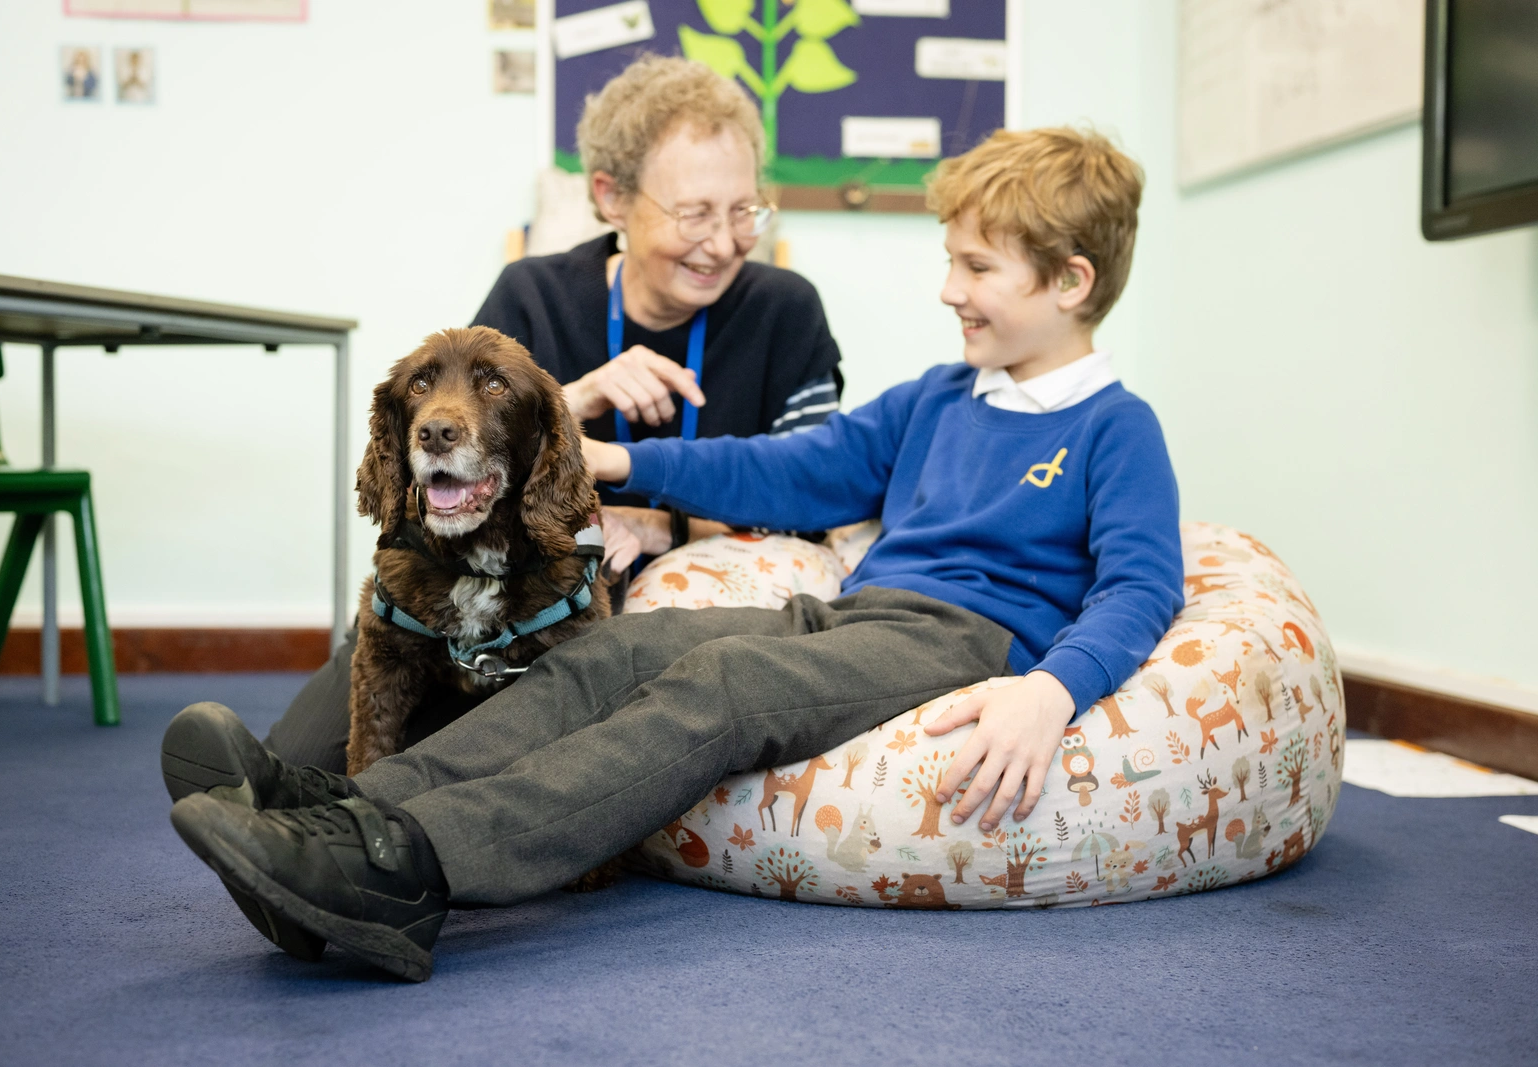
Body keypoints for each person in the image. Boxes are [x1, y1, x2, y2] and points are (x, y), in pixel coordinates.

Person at [163, 126, 1184, 982]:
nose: (948, 289)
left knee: (725, 685)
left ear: (1069, 281)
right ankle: (346, 812)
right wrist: (616, 454)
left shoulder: (1113, 427)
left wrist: (1051, 691)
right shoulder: (937, 396)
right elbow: (788, 470)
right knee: (608, 653)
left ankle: (408, 863)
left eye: (974, 267)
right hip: (856, 613)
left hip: (973, 639)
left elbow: (1144, 584)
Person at [260, 55, 844, 772]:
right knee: (295, 760)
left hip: (599, 612)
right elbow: (447, 467)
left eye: (743, 211)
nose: (723, 242)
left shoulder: (786, 312)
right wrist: (573, 398)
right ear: (611, 197)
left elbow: (819, 503)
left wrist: (658, 522)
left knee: (487, 760)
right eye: (694, 213)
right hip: (479, 590)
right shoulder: (530, 296)